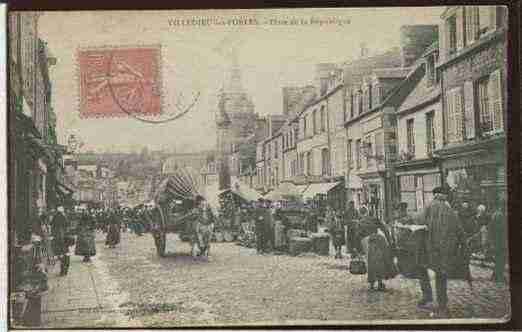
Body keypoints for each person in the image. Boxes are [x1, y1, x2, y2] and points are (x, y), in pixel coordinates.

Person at [415, 186, 464, 317]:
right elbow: (459, 229)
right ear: (444, 196)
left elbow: (419, 222)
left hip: (428, 248)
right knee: (441, 274)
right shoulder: (450, 210)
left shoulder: (428, 207)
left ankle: (427, 296)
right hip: (444, 249)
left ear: (435, 195)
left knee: (421, 269)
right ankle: (442, 303)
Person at [364, 216, 397, 291]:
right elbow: (385, 247)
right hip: (379, 255)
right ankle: (379, 283)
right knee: (379, 268)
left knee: (371, 268)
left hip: (371, 255)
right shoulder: (380, 237)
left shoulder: (370, 237)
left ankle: (372, 285)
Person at [488, 193, 507, 283]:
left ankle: (496, 275)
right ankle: (498, 276)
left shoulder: (497, 214)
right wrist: (492, 241)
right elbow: (492, 229)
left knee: (500, 258)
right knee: (501, 258)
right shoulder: (499, 215)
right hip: (499, 241)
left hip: (499, 241)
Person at [51, 206, 71, 276]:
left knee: (60, 255)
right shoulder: (63, 217)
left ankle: (62, 270)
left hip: (57, 239)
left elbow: (52, 227)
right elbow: (67, 226)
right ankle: (64, 270)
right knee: (65, 254)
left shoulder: (55, 217)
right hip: (64, 239)